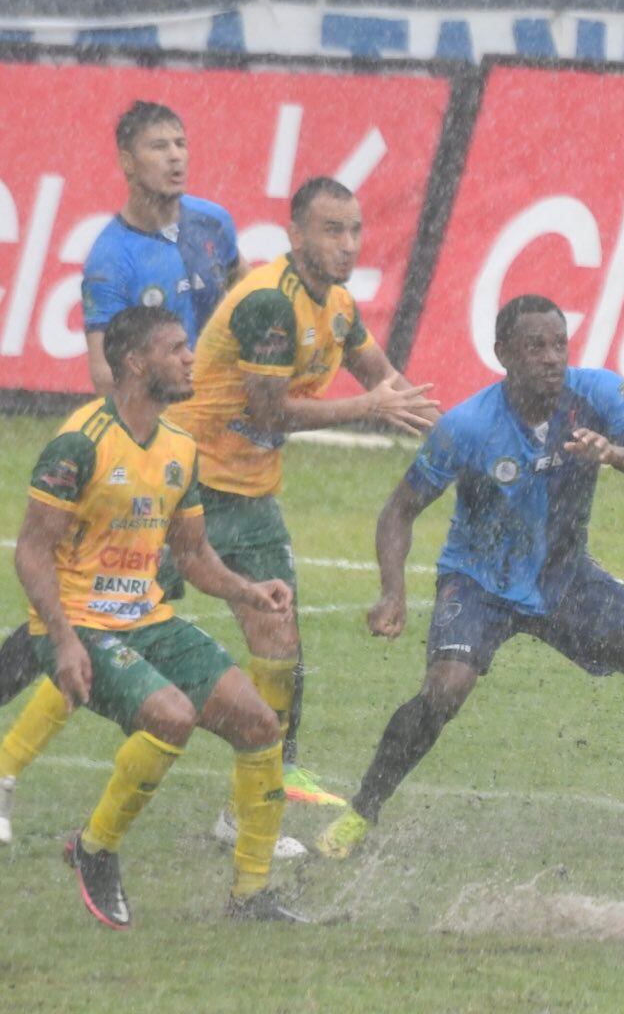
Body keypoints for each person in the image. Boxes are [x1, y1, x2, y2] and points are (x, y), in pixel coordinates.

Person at [315, 296, 624, 860]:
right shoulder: (468, 426)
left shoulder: (599, 394)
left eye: (559, 344)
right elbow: (398, 511)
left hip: (563, 576)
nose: (552, 357)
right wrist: (392, 592)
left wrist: (615, 454)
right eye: (536, 346)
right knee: (445, 689)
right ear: (503, 353)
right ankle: (362, 811)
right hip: (480, 580)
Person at [0, 100, 247, 845]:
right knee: (96, 619)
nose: (176, 156)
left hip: (197, 454)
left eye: (182, 142)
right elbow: (104, 370)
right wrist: (149, 431)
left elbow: (239, 314)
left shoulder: (213, 226)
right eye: (158, 145)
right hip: (145, 460)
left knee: (103, 620)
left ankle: (253, 791)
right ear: (126, 161)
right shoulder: (112, 258)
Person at [161, 174, 438, 829]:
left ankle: (253, 801)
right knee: (96, 616)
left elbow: (388, 382)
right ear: (294, 234)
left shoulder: (338, 305)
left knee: (280, 639)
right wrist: (367, 407)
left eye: (355, 230)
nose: (348, 244)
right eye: (331, 230)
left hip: (252, 497)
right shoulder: (268, 303)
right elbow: (270, 410)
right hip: (181, 486)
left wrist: (464, 441)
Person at [14, 305, 304, 928]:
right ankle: (95, 849)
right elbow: (31, 552)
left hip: (147, 618)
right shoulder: (79, 442)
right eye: (175, 348)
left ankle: (250, 897)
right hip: (80, 626)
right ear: (135, 362)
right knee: (171, 716)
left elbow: (192, 554)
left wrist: (250, 591)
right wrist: (62, 641)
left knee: (259, 723)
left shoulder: (179, 446)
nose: (190, 358)